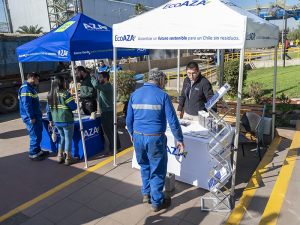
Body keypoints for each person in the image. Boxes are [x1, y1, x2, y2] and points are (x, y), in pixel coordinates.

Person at [126, 68, 184, 212]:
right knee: (157, 170)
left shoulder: (135, 94)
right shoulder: (162, 96)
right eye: (164, 80)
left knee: (144, 165)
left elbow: (129, 119)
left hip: (138, 136)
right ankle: (157, 201)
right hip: (155, 138)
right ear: (159, 80)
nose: (164, 83)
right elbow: (173, 121)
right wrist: (179, 138)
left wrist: (132, 133)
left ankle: (146, 193)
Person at [47, 75, 78, 165]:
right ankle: (68, 157)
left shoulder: (50, 94)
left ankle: (60, 156)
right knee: (68, 138)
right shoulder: (65, 93)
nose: (66, 83)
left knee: (62, 137)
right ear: (61, 83)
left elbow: (48, 110)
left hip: (56, 121)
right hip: (66, 119)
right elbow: (73, 107)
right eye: (64, 81)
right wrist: (74, 101)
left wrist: (50, 120)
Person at [18, 73, 49, 161]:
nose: (38, 81)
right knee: (35, 135)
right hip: (31, 118)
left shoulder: (30, 88)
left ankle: (38, 151)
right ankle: (33, 154)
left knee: (38, 134)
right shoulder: (26, 89)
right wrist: (31, 117)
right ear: (32, 78)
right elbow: (27, 105)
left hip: (36, 116)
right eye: (37, 79)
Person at [91, 71, 121, 155]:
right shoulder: (106, 86)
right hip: (108, 111)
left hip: (107, 112)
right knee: (112, 130)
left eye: (100, 77)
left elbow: (96, 85)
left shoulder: (107, 86)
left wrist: (92, 77)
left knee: (109, 131)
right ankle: (117, 147)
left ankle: (113, 149)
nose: (98, 79)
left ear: (105, 78)